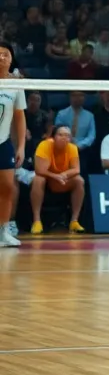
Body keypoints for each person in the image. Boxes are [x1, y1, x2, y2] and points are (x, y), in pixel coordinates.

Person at [0, 41, 26, 247]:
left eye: (5, 54)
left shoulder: (16, 84)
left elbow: (19, 118)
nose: (2, 57)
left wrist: (21, 147)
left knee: (8, 188)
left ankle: (4, 231)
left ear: (11, 59)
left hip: (3, 143)